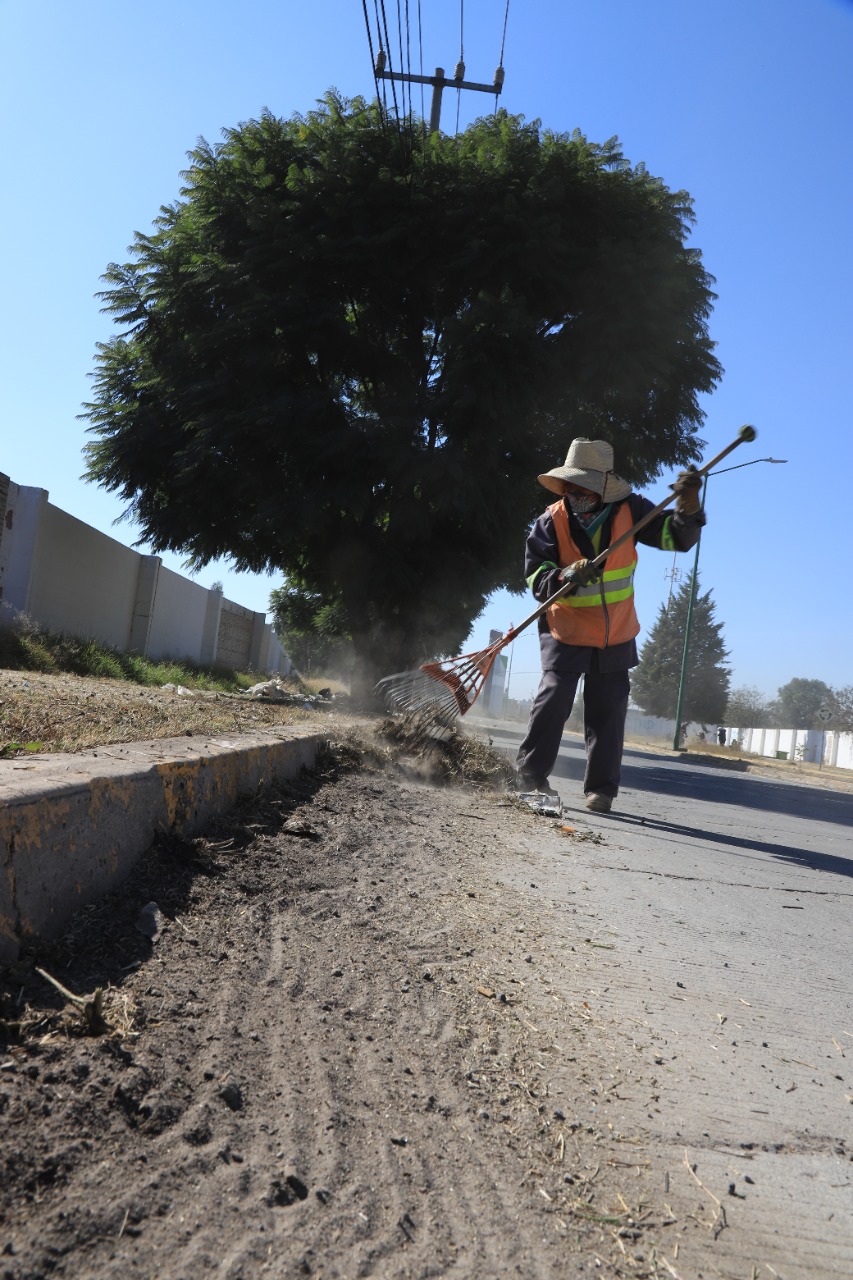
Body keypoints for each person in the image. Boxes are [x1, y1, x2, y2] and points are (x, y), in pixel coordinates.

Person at [514, 438, 705, 813]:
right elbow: (536, 578)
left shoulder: (632, 510)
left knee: (610, 708)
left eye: (582, 486)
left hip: (615, 632)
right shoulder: (549, 522)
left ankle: (601, 790)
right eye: (569, 486)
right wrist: (566, 574)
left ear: (602, 486)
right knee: (553, 698)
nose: (574, 493)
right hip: (565, 629)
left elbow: (677, 538)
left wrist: (689, 503)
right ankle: (529, 777)